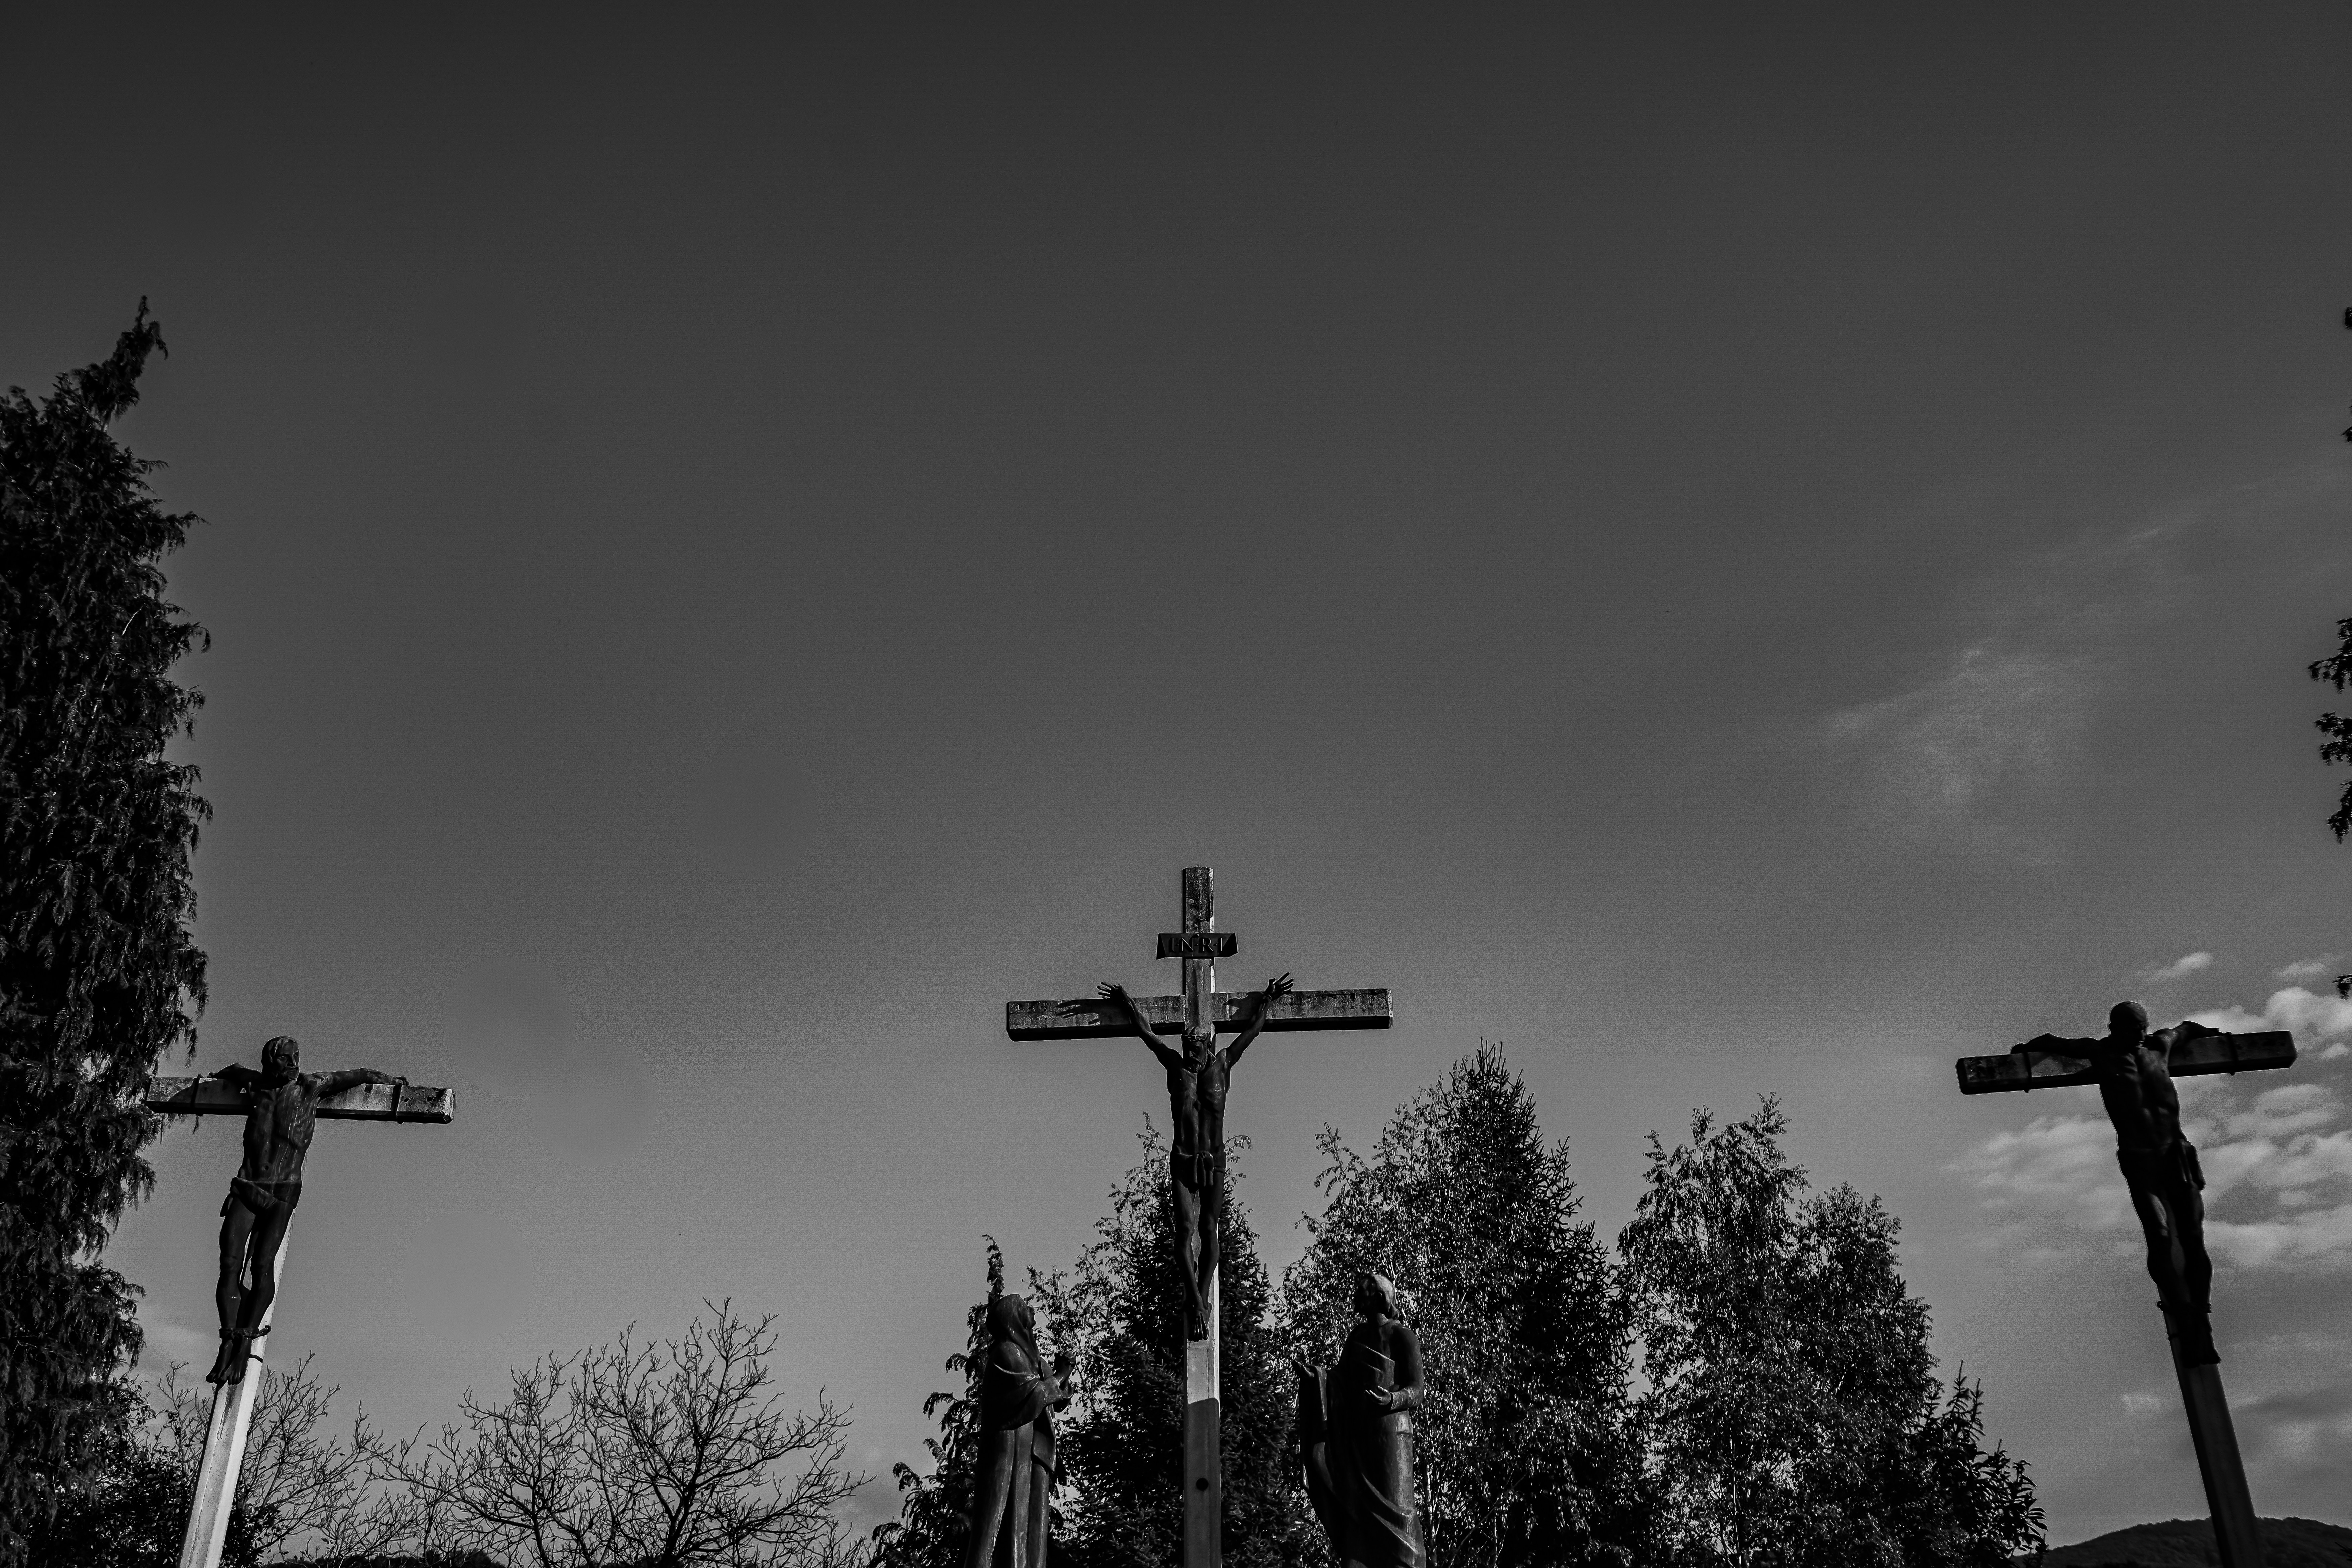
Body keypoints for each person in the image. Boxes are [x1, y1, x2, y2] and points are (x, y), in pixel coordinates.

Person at [2018, 1002, 2223, 1364]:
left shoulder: (2159, 1045)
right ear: (2114, 1028)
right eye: (2133, 1031)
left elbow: (2186, 1027)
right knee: (2160, 1236)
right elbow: (2054, 1041)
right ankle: (2183, 1313)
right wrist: (2026, 1051)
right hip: (2140, 1158)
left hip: (2177, 1154)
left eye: (2144, 1029)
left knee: (2193, 1238)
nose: (2140, 1037)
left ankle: (2201, 1318)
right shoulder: (2100, 1052)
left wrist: (2209, 1032)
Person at [1097, 974, 1293, 1338]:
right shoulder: (1175, 1068)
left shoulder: (1223, 1065)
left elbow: (1252, 1031)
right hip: (1184, 1158)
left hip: (1214, 1160)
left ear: (1207, 1044)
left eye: (1196, 1045)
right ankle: (1194, 1298)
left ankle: (1201, 1298)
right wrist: (1127, 1002)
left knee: (1209, 1229)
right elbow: (1146, 1034)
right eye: (1187, 1046)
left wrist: (1268, 998)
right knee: (1185, 1229)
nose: (1191, 1051)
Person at [202, 1036, 405, 1383]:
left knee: (262, 1266)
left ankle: (245, 1341)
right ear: (270, 1063)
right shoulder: (255, 1084)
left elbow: (356, 1074)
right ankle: (228, 1340)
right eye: (285, 1059)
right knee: (229, 1266)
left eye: (296, 1057)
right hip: (247, 1186)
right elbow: (234, 1071)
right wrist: (218, 1073)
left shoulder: (311, 1086)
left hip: (282, 1192)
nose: (293, 1063)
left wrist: (390, 1081)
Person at [1295, 1272, 1425, 1568]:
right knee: (1360, 1514)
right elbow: (1340, 1380)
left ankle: (1407, 1559)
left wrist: (1392, 1400)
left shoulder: (1403, 1337)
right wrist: (1317, 1377)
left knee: (1397, 1511)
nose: (1356, 1294)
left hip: (1392, 1437)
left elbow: (1418, 1391)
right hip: (1359, 1436)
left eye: (1363, 1290)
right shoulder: (1356, 1337)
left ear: (1380, 1297)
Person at [962, 1294, 1072, 1568]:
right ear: (1015, 1318)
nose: (1032, 1310)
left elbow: (1053, 1394)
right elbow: (1035, 1393)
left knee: (1027, 1528)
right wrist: (1060, 1375)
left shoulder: (1032, 1357)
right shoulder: (1006, 1353)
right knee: (998, 1524)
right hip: (1007, 1452)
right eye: (1025, 1308)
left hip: (1030, 1453)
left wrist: (1062, 1376)